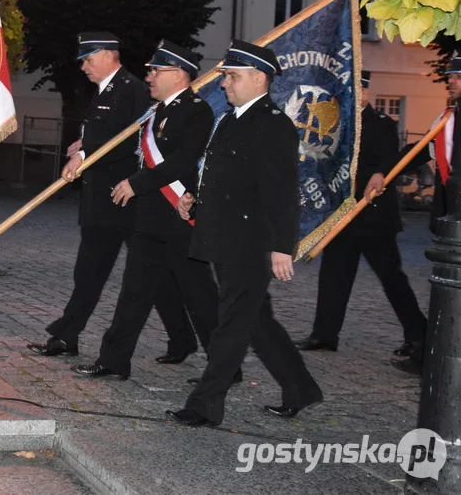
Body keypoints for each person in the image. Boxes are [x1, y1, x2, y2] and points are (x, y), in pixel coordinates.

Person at [166, 40, 322, 427]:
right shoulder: (231, 118)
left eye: (232, 77)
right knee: (253, 320)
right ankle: (301, 388)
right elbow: (225, 179)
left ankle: (205, 405)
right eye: (226, 77)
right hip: (225, 237)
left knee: (231, 326)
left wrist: (282, 248)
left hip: (251, 243)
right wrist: (194, 200)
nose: (224, 84)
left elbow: (282, 191)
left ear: (259, 79)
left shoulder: (273, 124)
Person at [72, 41, 220, 380]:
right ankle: (113, 361)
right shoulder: (156, 112)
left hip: (180, 219)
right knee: (133, 293)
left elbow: (183, 161)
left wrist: (135, 184)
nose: (149, 76)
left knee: (200, 297)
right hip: (148, 219)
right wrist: (84, 147)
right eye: (150, 70)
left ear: (180, 74)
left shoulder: (197, 110)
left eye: (156, 70)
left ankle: (224, 365)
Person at [26, 32, 150, 358]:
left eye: (88, 58)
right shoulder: (103, 89)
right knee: (89, 271)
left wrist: (85, 153)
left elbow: (131, 140)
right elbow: (104, 130)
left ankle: (193, 341)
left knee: (158, 277)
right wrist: (83, 144)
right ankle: (67, 336)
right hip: (100, 198)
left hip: (123, 199)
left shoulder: (132, 89)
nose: (83, 66)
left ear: (109, 54)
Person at [296, 70, 426, 361]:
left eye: (359, 89)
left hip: (373, 216)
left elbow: (389, 162)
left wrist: (379, 174)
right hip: (342, 216)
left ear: (366, 93)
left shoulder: (382, 124)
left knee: (391, 278)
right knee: (333, 277)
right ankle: (324, 335)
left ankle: (419, 335)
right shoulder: (336, 124)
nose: (355, 95)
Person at [367, 55, 461, 375]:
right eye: (450, 75)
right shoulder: (447, 118)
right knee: (444, 295)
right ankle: (430, 357)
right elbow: (416, 151)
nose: (450, 80)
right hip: (450, 224)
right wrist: (384, 173)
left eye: (457, 76)